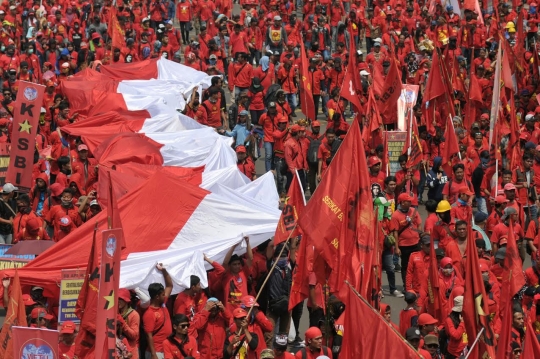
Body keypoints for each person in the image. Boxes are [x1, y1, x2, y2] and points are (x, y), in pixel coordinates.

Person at [143, 263, 174, 359]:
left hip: (165, 350)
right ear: (157, 297)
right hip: (157, 352)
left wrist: (164, 271)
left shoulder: (162, 303)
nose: (165, 296)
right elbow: (149, 335)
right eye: (162, 294)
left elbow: (169, 286)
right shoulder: (149, 313)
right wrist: (153, 354)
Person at [390, 193, 422, 285]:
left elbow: (419, 224)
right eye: (408, 201)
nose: (410, 202)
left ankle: (417, 283)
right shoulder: (395, 215)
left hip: (416, 243)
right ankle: (406, 285)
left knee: (418, 265)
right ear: (402, 202)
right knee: (406, 267)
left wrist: (420, 239)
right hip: (404, 246)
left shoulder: (414, 211)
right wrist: (396, 248)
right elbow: (395, 232)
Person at [221, 237, 253, 312]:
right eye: (234, 264)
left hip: (244, 309)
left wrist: (247, 242)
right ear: (230, 266)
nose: (237, 266)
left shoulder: (243, 273)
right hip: (230, 311)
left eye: (238, 264)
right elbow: (225, 262)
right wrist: (233, 246)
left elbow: (250, 259)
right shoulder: (226, 275)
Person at [118, 288, 140, 359]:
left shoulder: (134, 314)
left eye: (120, 299)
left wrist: (122, 322)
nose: (118, 301)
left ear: (126, 301)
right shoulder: (115, 313)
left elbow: (134, 335)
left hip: (131, 353)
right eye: (117, 299)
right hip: (119, 352)